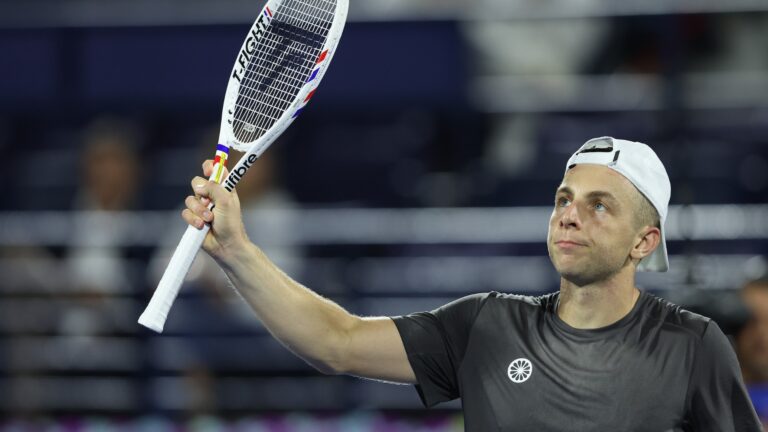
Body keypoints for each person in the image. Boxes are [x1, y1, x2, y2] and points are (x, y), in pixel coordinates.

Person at [180, 136, 761, 431]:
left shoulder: (693, 345)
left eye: (599, 206)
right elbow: (337, 341)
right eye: (563, 199)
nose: (569, 215)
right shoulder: (487, 325)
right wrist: (237, 251)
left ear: (644, 242)